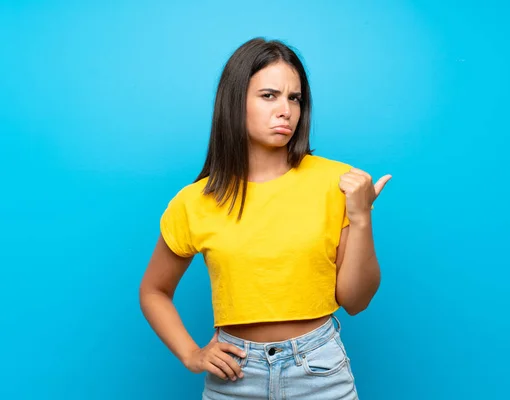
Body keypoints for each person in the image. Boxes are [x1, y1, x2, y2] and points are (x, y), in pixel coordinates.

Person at [139, 37, 391, 399]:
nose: (286, 110)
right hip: (236, 376)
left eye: (295, 98)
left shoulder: (336, 182)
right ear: (234, 101)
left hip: (318, 370)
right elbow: (153, 291)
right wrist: (192, 354)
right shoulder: (196, 201)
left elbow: (355, 301)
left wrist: (361, 217)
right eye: (269, 95)